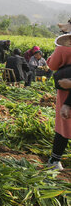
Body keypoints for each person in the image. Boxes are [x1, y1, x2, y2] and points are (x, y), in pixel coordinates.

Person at [46, 33, 71, 170]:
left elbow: (52, 65)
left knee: (64, 126)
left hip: (66, 90)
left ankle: (55, 160)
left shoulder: (62, 49)